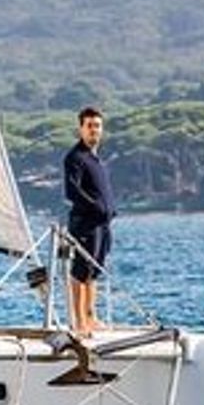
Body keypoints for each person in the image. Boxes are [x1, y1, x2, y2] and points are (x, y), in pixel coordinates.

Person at [63, 106, 115, 334]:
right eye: (90, 126)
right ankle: (79, 321)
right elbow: (71, 191)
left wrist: (108, 210)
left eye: (97, 126)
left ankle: (91, 316)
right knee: (80, 272)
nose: (94, 130)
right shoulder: (75, 157)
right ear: (81, 129)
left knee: (94, 272)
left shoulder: (95, 159)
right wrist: (95, 207)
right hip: (85, 223)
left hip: (102, 225)